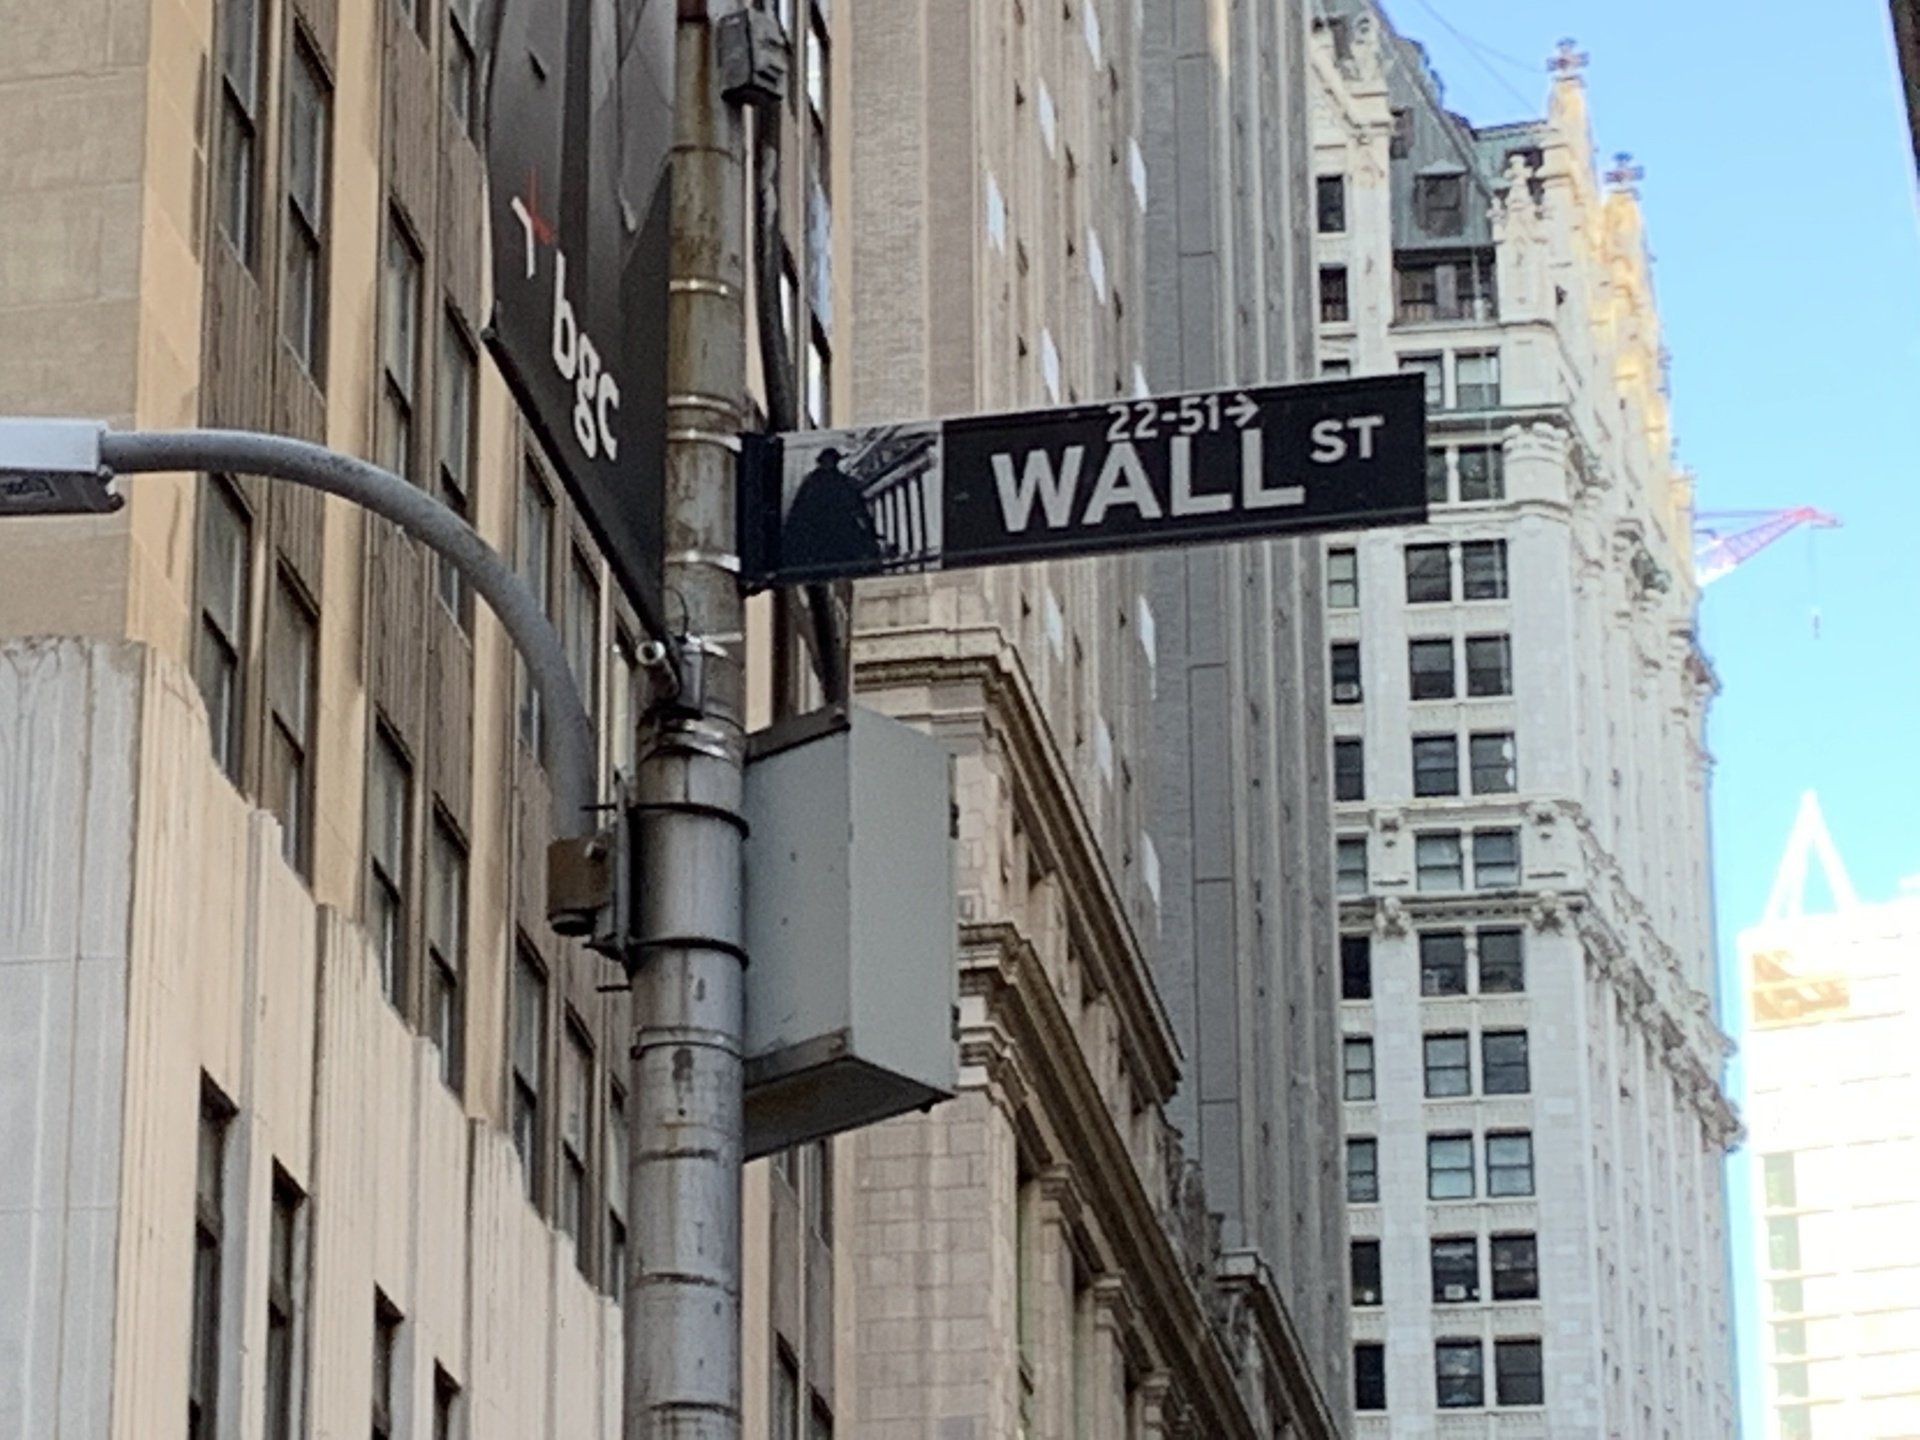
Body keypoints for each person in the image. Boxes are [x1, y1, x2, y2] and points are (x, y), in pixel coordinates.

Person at [783, 446, 885, 573]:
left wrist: (870, 531)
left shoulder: (820, 481)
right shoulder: (817, 482)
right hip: (823, 533)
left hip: (832, 533)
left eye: (831, 461)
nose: (829, 464)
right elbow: (798, 509)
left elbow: (859, 508)